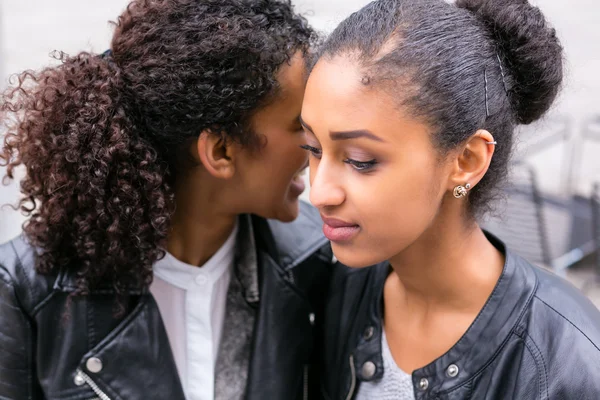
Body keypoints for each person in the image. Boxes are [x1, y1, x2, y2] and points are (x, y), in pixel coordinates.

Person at [0, 1, 333, 399]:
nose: (318, 145)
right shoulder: (25, 290)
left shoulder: (325, 262)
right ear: (222, 152)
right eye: (301, 125)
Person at [300, 0, 600, 398]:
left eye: (360, 161)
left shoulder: (565, 365)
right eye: (313, 148)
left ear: (466, 160)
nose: (318, 191)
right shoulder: (338, 284)